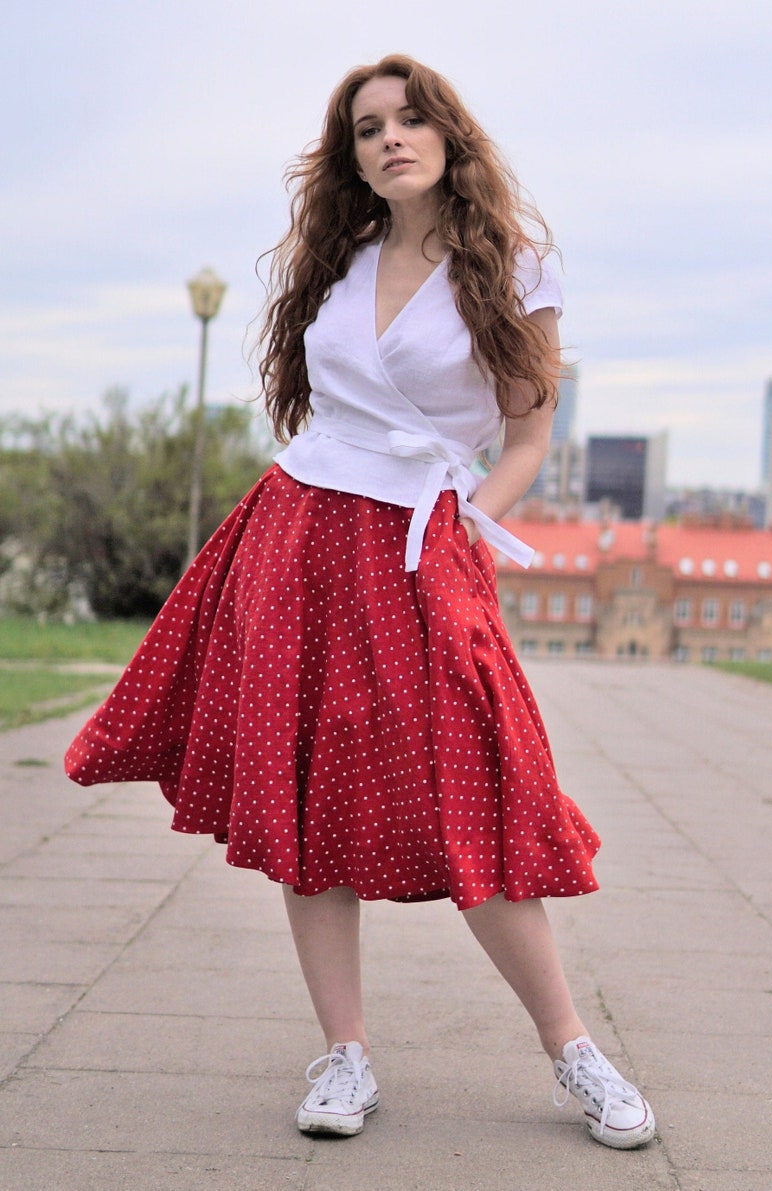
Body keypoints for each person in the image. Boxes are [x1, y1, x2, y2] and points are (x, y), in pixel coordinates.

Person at [65, 54, 655, 1151]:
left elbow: (525, 436)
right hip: (296, 530)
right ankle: (345, 1056)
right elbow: (319, 411)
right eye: (365, 127)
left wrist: (464, 525)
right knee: (304, 791)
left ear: (447, 135)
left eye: (407, 119)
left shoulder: (512, 267)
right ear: (351, 158)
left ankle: (571, 1046)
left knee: (467, 780)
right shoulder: (336, 261)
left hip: (421, 541)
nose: (388, 138)